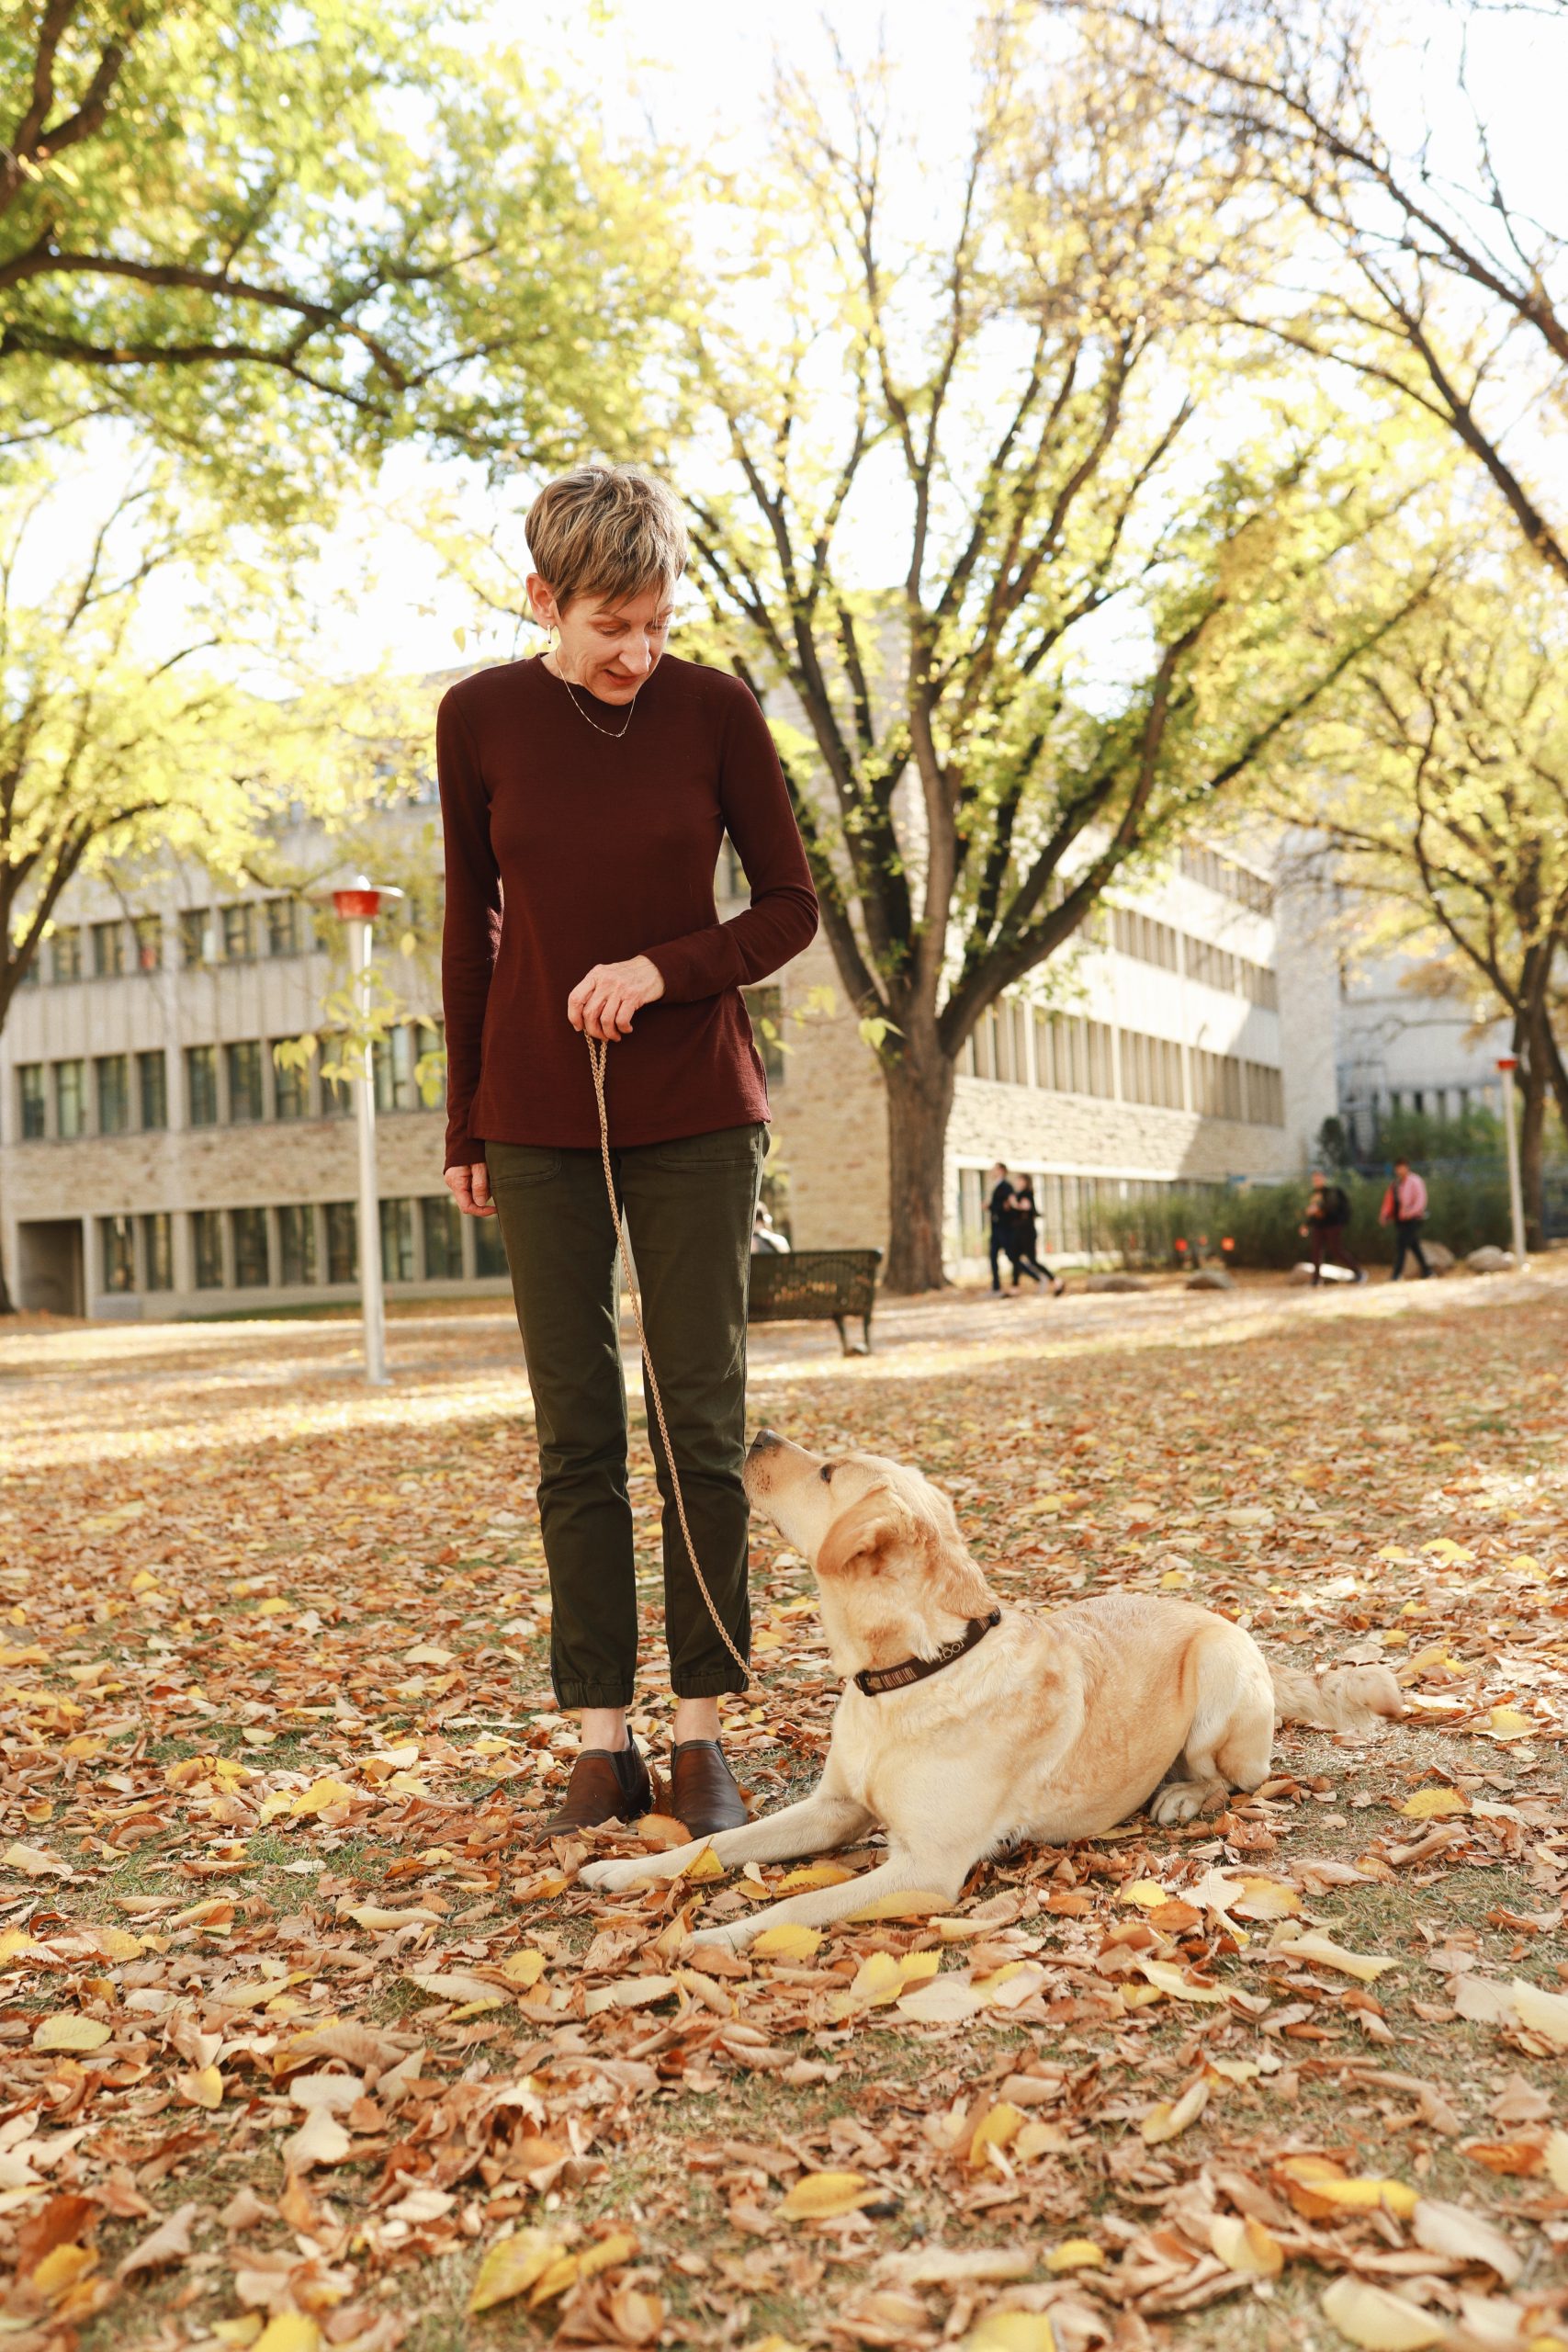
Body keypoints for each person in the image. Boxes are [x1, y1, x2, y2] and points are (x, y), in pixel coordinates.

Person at [437, 462, 818, 1839]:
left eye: (655, 624)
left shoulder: (714, 710)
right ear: (543, 597)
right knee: (574, 1438)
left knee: (697, 1433)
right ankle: (601, 1745)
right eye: (610, 626)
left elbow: (788, 909)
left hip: (697, 1117)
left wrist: (662, 971)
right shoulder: (477, 718)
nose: (637, 654)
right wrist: (464, 1115)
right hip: (534, 1121)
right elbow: (468, 928)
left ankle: (705, 1733)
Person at [1302, 1170, 1363, 1285]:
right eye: (1314, 1179)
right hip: (1319, 1226)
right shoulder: (1314, 1194)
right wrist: (1306, 1224)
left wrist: (1318, 1209)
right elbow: (1315, 1213)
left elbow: (1330, 1207)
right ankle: (1316, 1280)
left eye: (1318, 1179)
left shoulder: (1332, 1192)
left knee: (1337, 1251)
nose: (1316, 1181)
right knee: (1316, 1252)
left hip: (1332, 1225)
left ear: (1324, 1179)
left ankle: (1359, 1272)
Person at [1009, 1178, 1066, 1296]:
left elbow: (1026, 1207)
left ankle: (1055, 1280)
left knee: (1032, 1260)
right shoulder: (1019, 1194)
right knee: (1015, 1258)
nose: (1017, 1182)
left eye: (1020, 1180)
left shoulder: (1027, 1195)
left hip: (1027, 1233)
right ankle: (1015, 1287)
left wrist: (1014, 1203)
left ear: (1025, 1182)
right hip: (1019, 1232)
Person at [1379, 1156, 1432, 1281]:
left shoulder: (1415, 1181)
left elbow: (1421, 1199)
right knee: (1414, 1245)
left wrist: (1411, 1212)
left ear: (1407, 1167)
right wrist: (1385, 1215)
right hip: (1400, 1219)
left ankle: (1396, 1275)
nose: (1399, 1170)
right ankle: (1427, 1271)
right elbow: (1390, 1201)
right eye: (1397, 1168)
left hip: (1412, 1218)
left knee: (1401, 1245)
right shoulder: (1396, 1184)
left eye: (1402, 1167)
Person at [987, 1162, 1021, 1295]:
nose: (992, 1171)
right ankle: (996, 1286)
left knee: (1011, 1256)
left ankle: (1035, 1274)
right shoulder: (996, 1186)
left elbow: (1009, 1205)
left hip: (1004, 1228)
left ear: (1001, 1170)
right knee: (992, 1256)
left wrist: (993, 1206)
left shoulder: (1006, 1186)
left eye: (994, 1169)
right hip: (995, 1228)